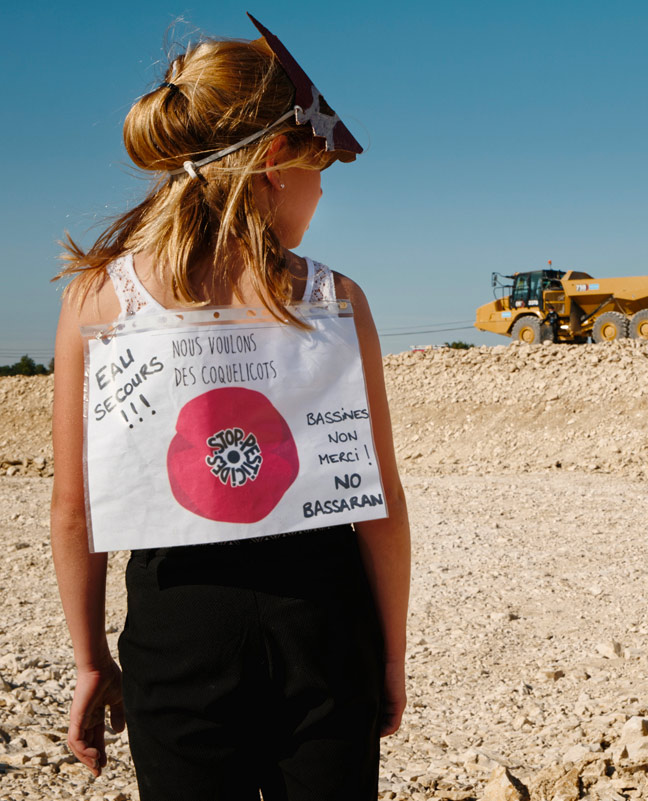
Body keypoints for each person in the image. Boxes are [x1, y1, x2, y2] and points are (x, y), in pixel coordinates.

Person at [50, 15, 409, 799]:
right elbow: (377, 501)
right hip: (322, 625)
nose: (321, 190)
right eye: (321, 168)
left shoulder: (99, 298)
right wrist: (389, 653)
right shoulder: (334, 298)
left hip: (177, 630)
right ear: (277, 159)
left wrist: (88, 659)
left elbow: (76, 512)